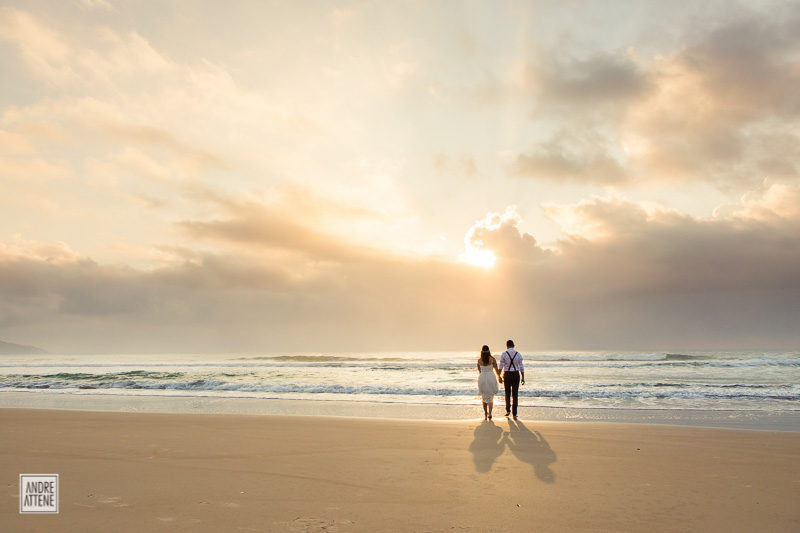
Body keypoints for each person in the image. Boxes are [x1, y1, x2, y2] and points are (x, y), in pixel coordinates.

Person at [498, 339, 525, 419]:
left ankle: (508, 410)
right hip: (516, 374)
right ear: (513, 345)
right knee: (515, 394)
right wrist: (523, 377)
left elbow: (500, 366)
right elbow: (521, 366)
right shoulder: (518, 354)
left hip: (507, 374)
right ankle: (514, 414)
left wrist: (499, 376)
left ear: (507, 346)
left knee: (507, 393)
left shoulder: (504, 354)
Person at [476, 345, 502, 420]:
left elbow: (480, 371)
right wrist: (499, 377)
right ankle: (490, 413)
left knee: (484, 396)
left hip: (482, 377)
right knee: (490, 396)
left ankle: (485, 413)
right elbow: (496, 370)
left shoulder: (479, 360)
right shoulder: (492, 360)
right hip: (490, 377)